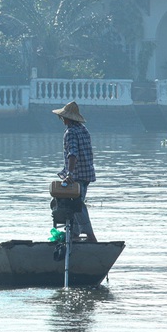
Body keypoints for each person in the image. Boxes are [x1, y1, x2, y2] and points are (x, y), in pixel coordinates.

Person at [53, 101, 98, 242]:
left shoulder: (71, 132)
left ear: (66, 118)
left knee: (77, 205)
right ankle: (75, 234)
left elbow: (73, 154)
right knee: (76, 204)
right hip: (87, 174)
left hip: (77, 175)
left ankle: (90, 236)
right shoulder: (83, 129)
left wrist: (69, 174)